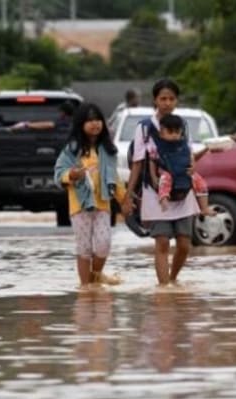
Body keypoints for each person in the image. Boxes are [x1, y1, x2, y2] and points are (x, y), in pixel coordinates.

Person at [123, 78, 212, 286]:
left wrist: (194, 165)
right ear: (155, 100)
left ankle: (173, 280)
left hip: (182, 191)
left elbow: (188, 154)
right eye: (163, 98)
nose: (167, 103)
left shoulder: (182, 125)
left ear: (176, 100)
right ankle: (164, 289)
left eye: (171, 99)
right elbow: (137, 162)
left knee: (184, 244)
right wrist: (128, 195)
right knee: (162, 241)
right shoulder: (144, 128)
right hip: (156, 193)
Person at [54, 103, 131, 288]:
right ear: (80, 124)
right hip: (79, 206)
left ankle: (95, 276)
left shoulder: (108, 150)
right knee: (84, 248)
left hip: (103, 204)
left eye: (97, 119)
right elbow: (59, 173)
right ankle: (85, 288)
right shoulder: (72, 150)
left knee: (104, 244)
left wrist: (124, 200)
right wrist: (71, 175)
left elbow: (114, 178)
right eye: (89, 120)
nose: (95, 123)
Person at [152, 114, 214, 216]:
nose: (174, 135)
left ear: (181, 131)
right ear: (161, 132)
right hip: (167, 171)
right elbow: (152, 160)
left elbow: (190, 155)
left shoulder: (184, 144)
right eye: (170, 132)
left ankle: (204, 208)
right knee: (165, 180)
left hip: (184, 171)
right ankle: (163, 199)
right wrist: (154, 176)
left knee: (200, 183)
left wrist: (192, 166)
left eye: (177, 132)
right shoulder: (159, 146)